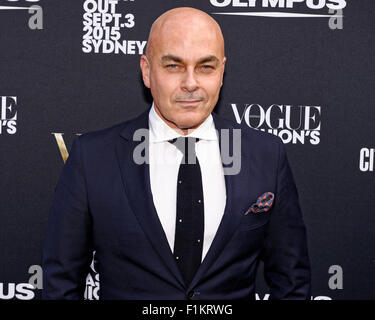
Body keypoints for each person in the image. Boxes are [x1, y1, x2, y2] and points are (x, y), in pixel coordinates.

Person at [42, 7, 311, 300]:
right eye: (174, 66)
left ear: (222, 71)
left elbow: (292, 283)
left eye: (206, 67)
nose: (191, 83)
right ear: (146, 70)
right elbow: (61, 284)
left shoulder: (265, 156)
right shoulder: (92, 157)